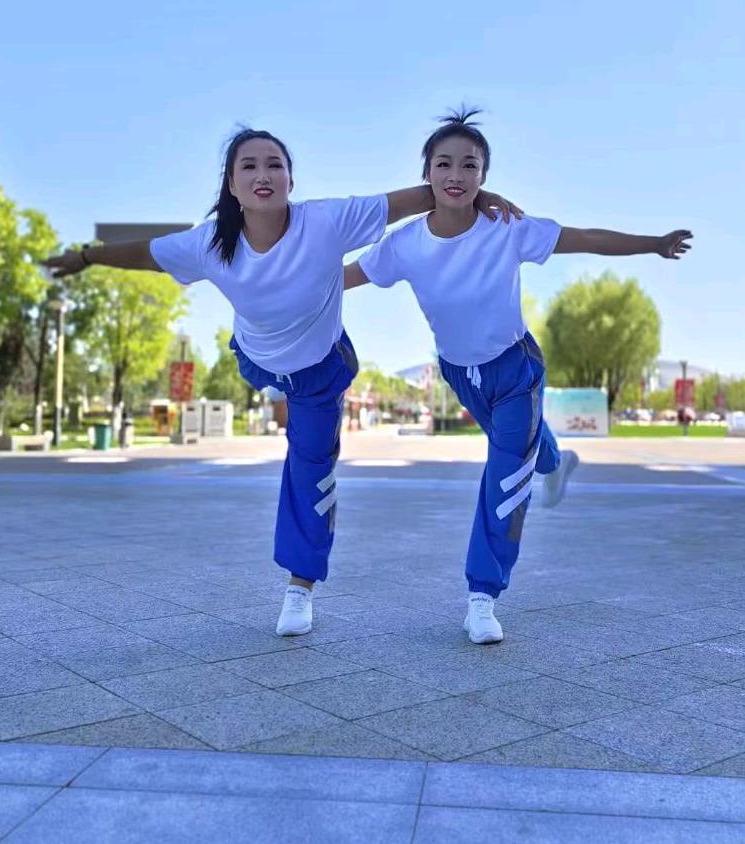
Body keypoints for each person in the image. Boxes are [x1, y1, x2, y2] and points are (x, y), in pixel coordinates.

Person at [42, 127, 519, 637]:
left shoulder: (327, 221)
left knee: (311, 469)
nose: (263, 175)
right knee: (271, 383)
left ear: (291, 178)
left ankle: (299, 589)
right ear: (231, 184)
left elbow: (412, 199)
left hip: (318, 372)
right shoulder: (209, 243)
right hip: (256, 359)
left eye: (275, 164)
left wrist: (474, 194)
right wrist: (89, 256)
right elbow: (147, 253)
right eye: (248, 166)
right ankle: (279, 401)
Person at [344, 108, 693, 644]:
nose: (456, 174)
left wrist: (652, 242)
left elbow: (586, 238)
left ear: (485, 175)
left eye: (470, 164)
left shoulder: (507, 228)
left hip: (517, 369)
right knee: (527, 454)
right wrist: (276, 287)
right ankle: (554, 461)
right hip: (459, 372)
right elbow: (346, 278)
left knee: (505, 473)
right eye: (444, 164)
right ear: (427, 174)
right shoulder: (405, 244)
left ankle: (482, 597)